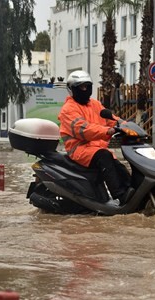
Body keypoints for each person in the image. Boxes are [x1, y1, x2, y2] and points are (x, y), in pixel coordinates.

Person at [58, 70, 134, 205]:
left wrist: (125, 125)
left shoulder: (95, 104)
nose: (85, 89)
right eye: (81, 87)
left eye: (87, 86)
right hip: (79, 150)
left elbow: (110, 118)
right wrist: (108, 131)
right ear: (72, 89)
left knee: (119, 166)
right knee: (105, 157)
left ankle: (133, 193)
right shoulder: (68, 109)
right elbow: (84, 129)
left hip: (97, 149)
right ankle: (120, 196)